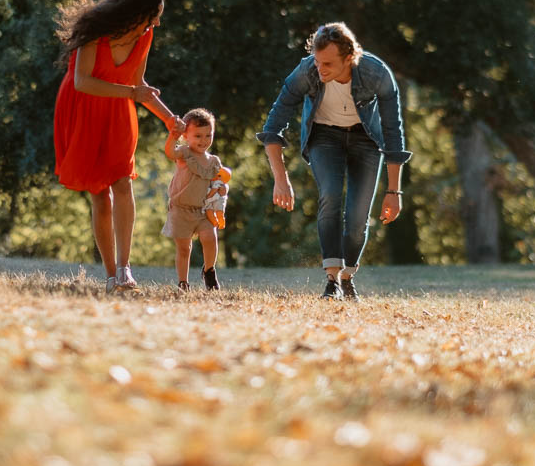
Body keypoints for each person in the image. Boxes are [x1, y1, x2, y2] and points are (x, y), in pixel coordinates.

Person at [258, 22, 411, 301]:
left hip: (366, 140)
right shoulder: (307, 72)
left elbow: (393, 132)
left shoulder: (376, 73)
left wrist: (393, 191)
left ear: (349, 57)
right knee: (330, 196)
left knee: (357, 218)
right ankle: (332, 281)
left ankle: (347, 277)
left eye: (327, 63)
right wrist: (281, 180)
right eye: (317, 61)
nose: (320, 69)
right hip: (324, 137)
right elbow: (274, 124)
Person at [54, 0, 182, 292]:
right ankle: (111, 274)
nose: (156, 23)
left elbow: (139, 84)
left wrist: (169, 118)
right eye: (153, 16)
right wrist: (131, 92)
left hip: (118, 113)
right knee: (99, 193)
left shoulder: (145, 36)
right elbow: (83, 82)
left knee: (123, 182)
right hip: (82, 110)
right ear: (134, 11)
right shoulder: (95, 31)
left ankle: (125, 270)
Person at [160, 108, 228, 291]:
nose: (203, 140)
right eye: (198, 136)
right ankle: (183, 282)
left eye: (208, 135)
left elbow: (217, 183)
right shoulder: (184, 154)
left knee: (210, 237)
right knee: (184, 248)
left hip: (203, 210)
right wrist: (172, 136)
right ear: (185, 136)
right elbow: (170, 152)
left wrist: (221, 189)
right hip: (180, 210)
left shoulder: (213, 161)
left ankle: (209, 270)